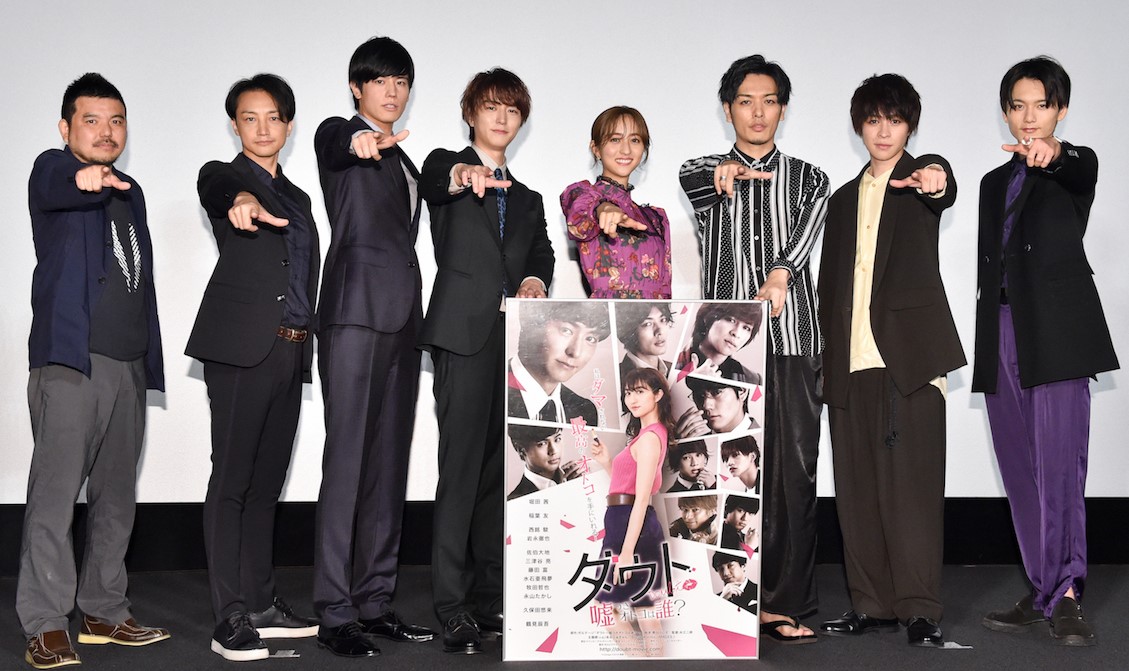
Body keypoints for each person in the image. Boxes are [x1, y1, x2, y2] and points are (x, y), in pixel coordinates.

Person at [19, 72, 169, 670]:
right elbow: (58, 181)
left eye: (116, 121)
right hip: (72, 364)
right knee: (55, 499)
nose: (106, 132)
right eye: (91, 120)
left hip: (129, 365)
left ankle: (104, 611)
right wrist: (82, 177)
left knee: (116, 499)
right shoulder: (52, 170)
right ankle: (45, 623)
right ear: (66, 128)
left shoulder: (131, 192)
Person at [679, 53, 827, 644]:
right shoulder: (703, 176)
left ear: (783, 110)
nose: (758, 112)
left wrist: (780, 274)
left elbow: (803, 238)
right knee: (724, 475)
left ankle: (784, 603)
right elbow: (694, 174)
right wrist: (725, 172)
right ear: (728, 109)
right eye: (745, 101)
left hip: (792, 344)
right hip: (724, 357)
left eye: (769, 102)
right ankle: (727, 601)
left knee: (792, 475)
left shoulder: (810, 179)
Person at [974, 56, 1118, 647]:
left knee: (1059, 467)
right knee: (1018, 468)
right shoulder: (991, 184)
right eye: (1018, 106)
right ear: (1006, 112)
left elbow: (1075, 163)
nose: (1029, 117)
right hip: (1001, 330)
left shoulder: (1074, 168)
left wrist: (1055, 154)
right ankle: (1042, 591)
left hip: (1056, 334)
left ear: (1060, 110)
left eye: (1041, 105)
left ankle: (1067, 594)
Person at [817, 73, 964, 648]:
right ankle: (872, 605)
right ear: (860, 126)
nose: (884, 131)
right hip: (849, 361)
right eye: (874, 120)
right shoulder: (840, 200)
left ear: (910, 127)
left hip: (910, 359)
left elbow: (942, 184)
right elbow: (831, 284)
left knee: (914, 493)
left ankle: (920, 609)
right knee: (856, 493)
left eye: (895, 120)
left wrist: (935, 175)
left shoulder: (920, 180)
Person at [419, 67, 554, 654]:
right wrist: (461, 174)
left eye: (512, 109)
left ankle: (489, 598)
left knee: (502, 474)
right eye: (491, 107)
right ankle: (451, 606)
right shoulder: (446, 167)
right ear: (470, 114)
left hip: (516, 343)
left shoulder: (528, 198)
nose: (501, 118)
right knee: (460, 472)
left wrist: (535, 279)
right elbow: (436, 179)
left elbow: (542, 252)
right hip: (462, 336)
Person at [188, 73, 320, 661]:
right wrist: (240, 200)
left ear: (288, 125)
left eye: (273, 117)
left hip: (291, 349)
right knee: (232, 481)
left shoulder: (299, 199)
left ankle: (262, 602)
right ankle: (230, 616)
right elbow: (215, 185)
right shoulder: (225, 177)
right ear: (235, 125)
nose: (263, 128)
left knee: (267, 485)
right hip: (241, 349)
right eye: (249, 117)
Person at [311, 36, 434, 658]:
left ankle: (374, 601)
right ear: (357, 88)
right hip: (353, 315)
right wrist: (358, 139)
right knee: (347, 463)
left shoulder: (406, 161)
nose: (393, 91)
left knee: (388, 465)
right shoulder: (340, 136)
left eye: (402, 81)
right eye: (381, 80)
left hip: (403, 321)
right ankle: (334, 612)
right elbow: (338, 141)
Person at [589, 368, 674, 657]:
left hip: (631, 527)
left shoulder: (650, 438)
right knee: (638, 608)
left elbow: (641, 499)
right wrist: (607, 462)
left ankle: (644, 664)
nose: (632, 399)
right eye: (628, 393)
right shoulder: (645, 436)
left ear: (658, 395)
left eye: (640, 391)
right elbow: (627, 487)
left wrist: (626, 554)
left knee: (635, 611)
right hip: (623, 523)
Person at [560, 106, 671, 298]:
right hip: (607, 315)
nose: (626, 149)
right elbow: (577, 210)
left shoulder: (656, 218)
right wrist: (602, 207)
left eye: (635, 140)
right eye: (615, 139)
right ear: (596, 149)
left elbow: (665, 290)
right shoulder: (582, 195)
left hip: (653, 316)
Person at [507, 301, 609, 426]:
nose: (575, 352)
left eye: (590, 339)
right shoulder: (492, 388)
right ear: (532, 323)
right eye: (566, 330)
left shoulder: (585, 410)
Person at [677, 303, 763, 384]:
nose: (737, 334)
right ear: (707, 317)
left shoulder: (752, 380)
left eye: (746, 328)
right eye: (731, 320)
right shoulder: (676, 363)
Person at [507, 425, 581, 500]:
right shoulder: (514, 501)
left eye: (557, 439)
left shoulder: (577, 479)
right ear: (521, 450)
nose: (554, 451)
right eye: (542, 444)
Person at [677, 377, 755, 438]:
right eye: (699, 395)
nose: (706, 406)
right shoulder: (694, 444)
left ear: (742, 392)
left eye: (717, 392)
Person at [615, 302, 675, 380]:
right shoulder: (616, 378)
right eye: (648, 324)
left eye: (663, 320)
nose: (660, 331)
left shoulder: (674, 371)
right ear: (629, 331)